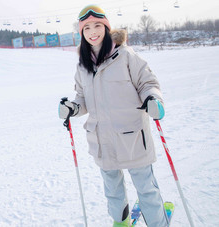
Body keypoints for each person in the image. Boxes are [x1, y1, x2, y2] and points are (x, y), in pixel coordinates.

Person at [58, 5, 169, 227]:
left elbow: (148, 83)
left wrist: (152, 99)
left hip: (132, 138)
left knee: (146, 188)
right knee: (113, 192)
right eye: (86, 28)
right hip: (102, 141)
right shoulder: (83, 66)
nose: (93, 31)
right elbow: (82, 98)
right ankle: (121, 223)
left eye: (97, 25)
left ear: (107, 28)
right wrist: (72, 108)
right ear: (82, 33)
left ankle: (158, 224)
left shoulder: (125, 55)